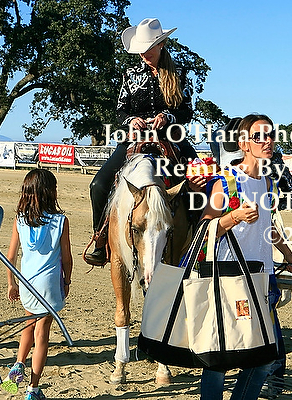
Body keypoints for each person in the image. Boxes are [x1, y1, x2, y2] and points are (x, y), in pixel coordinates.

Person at [200, 114, 292, 400]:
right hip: (228, 277)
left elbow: (268, 227)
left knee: (264, 358)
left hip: (261, 279)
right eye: (259, 136)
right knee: (220, 358)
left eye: (270, 135)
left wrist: (289, 255)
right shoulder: (226, 182)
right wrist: (234, 217)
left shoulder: (269, 184)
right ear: (244, 143)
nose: (267, 141)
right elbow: (205, 230)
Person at [86, 18, 200, 265]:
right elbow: (120, 109)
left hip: (171, 138)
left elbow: (187, 111)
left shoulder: (180, 73)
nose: (144, 54)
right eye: (141, 50)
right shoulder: (129, 74)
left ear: (161, 44)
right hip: (134, 140)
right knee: (98, 185)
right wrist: (131, 120)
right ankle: (100, 238)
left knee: (203, 181)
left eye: (148, 48)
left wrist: (167, 117)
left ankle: (200, 239)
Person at [2, 169, 73, 400]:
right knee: (42, 335)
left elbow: (10, 257)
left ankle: (18, 364)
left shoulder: (20, 220)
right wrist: (67, 280)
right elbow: (67, 258)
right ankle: (33, 388)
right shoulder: (61, 221)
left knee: (28, 325)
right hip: (49, 285)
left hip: (26, 282)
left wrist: (11, 283)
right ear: (50, 192)